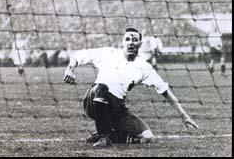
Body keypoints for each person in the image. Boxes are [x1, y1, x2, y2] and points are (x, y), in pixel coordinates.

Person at [63, 28, 198, 149]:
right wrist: (70, 69)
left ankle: (109, 134)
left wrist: (184, 116)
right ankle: (104, 137)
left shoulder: (144, 67)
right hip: (93, 101)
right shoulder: (108, 53)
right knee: (102, 88)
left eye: (135, 40)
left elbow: (165, 91)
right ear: (122, 42)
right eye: (127, 39)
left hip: (117, 108)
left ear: (140, 44)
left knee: (147, 137)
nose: (131, 42)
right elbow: (79, 55)